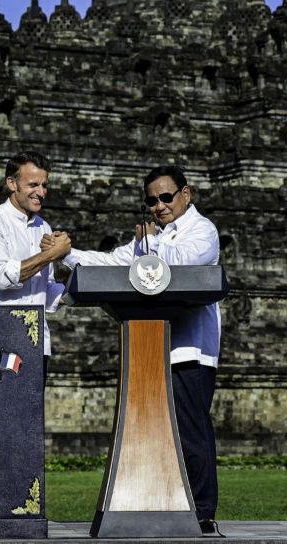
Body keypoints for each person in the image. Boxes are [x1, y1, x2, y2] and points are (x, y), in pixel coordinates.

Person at [58, 165, 221, 530]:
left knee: (190, 430)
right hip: (149, 351)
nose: (159, 206)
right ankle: (165, 503)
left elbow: (180, 264)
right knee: (158, 432)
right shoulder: (148, 239)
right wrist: (65, 254)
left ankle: (203, 510)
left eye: (166, 197)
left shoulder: (202, 231)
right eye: (151, 200)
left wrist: (153, 244)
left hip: (189, 350)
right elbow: (111, 262)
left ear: (185, 194)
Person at [0, 151, 70, 356]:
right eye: (33, 185)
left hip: (35, 341)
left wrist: (83, 289)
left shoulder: (45, 227)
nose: (41, 193)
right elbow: (3, 278)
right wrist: (51, 254)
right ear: (12, 184)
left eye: (44, 185)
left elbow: (45, 288)